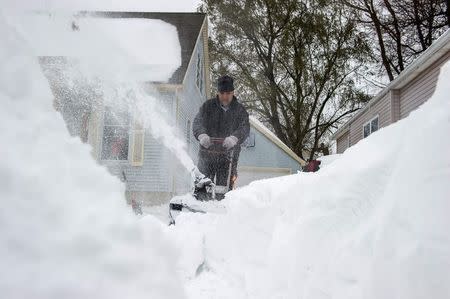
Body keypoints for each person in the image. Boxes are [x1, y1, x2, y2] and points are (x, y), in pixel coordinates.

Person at [193, 75, 250, 193]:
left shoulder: (240, 110)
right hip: (207, 155)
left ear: (233, 92)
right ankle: (199, 207)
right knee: (202, 186)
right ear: (218, 92)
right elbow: (197, 122)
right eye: (222, 93)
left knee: (225, 188)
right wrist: (202, 135)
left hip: (228, 157)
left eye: (228, 93)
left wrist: (234, 138)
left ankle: (223, 208)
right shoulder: (207, 107)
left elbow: (245, 127)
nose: (225, 96)